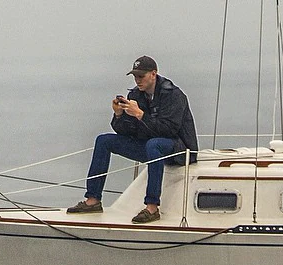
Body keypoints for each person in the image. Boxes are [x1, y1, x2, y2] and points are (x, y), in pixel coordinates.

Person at [67, 56, 198, 224]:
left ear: (153, 74)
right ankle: (93, 200)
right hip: (151, 147)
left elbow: (169, 130)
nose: (137, 80)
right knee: (103, 140)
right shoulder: (136, 94)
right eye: (135, 76)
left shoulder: (173, 95)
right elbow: (128, 131)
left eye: (141, 76)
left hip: (180, 149)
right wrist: (119, 115)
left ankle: (152, 207)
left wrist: (140, 114)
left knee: (154, 144)